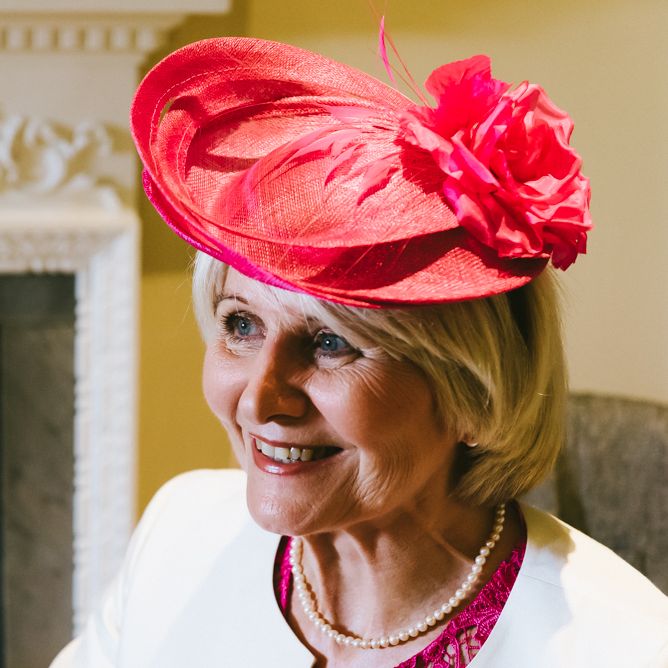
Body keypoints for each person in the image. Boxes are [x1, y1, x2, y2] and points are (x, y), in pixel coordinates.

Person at [51, 34, 668, 667]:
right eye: (241, 325)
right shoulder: (176, 538)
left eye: (330, 344)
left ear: (474, 391)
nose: (261, 399)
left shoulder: (625, 649)